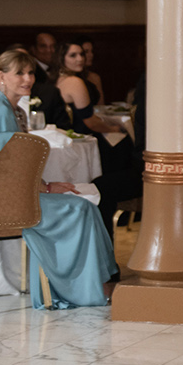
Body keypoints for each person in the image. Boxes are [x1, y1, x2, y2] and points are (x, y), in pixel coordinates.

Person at [0, 48, 114, 308]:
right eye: (19, 73)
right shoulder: (0, 113)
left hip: (14, 194)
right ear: (2, 76)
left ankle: (94, 282)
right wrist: (45, 187)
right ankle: (83, 289)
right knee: (79, 209)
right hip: (4, 203)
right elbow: (4, 172)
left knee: (84, 205)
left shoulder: (10, 109)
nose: (27, 79)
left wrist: (46, 186)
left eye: (31, 72)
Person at [53, 40, 141, 242]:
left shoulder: (62, 79)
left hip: (79, 138)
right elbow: (90, 121)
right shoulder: (74, 82)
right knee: (126, 147)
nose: (80, 59)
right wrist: (113, 128)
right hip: (88, 138)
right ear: (62, 58)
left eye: (81, 54)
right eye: (73, 55)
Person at [80, 38, 104, 104]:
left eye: (92, 51)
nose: (91, 55)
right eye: (86, 52)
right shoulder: (68, 79)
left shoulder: (95, 77)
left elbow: (101, 106)